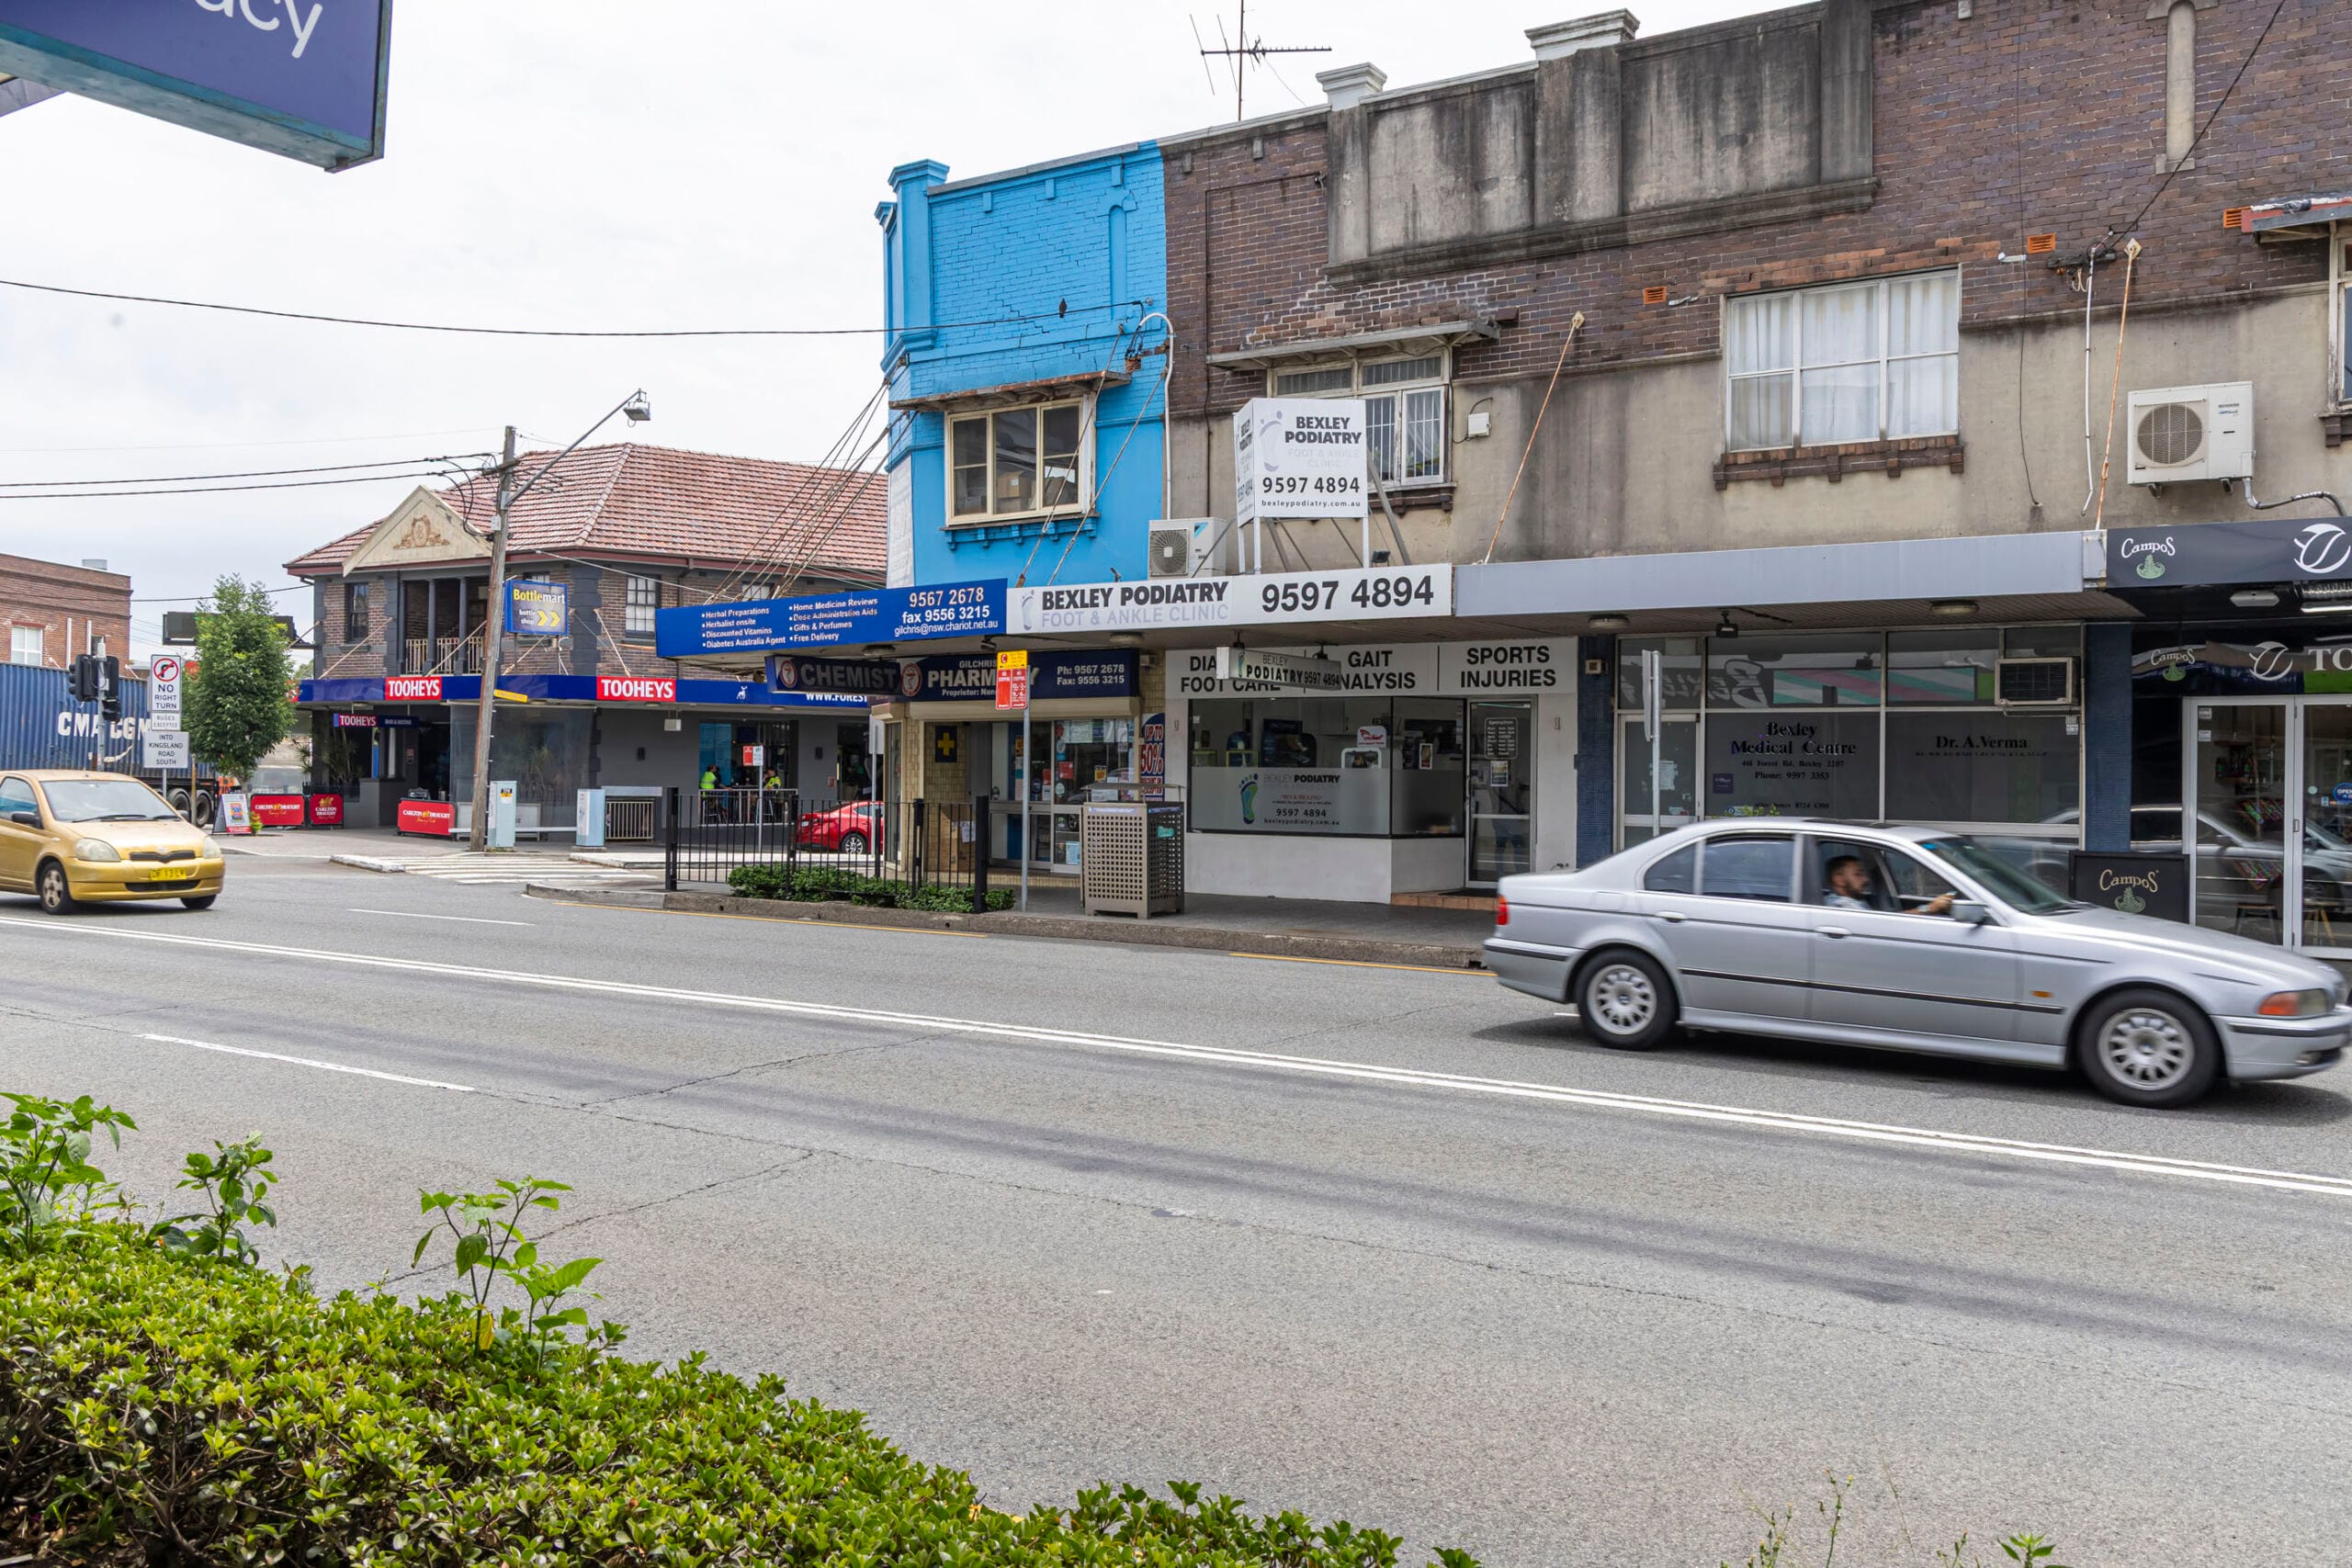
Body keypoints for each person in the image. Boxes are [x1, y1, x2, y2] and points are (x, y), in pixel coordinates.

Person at [1824, 853, 1952, 916]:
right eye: (1858, 874)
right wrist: (1929, 908)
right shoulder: (1842, 906)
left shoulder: (1852, 900)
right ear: (1839, 879)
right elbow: (1884, 925)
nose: (1866, 880)